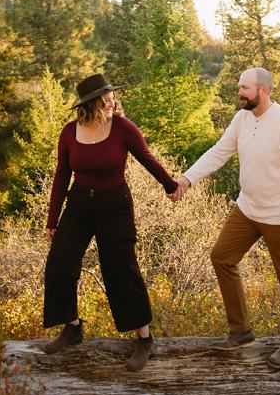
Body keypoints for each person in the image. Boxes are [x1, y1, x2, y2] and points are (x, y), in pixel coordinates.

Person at [171, 67, 280, 368]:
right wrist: (187, 179)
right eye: (240, 87)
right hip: (247, 209)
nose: (240, 92)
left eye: (245, 88)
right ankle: (241, 332)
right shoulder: (242, 118)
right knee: (222, 257)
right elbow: (219, 152)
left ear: (263, 90)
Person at [42, 73, 179, 372]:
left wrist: (171, 185)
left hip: (114, 206)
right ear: (90, 103)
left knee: (121, 269)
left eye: (111, 96)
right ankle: (72, 328)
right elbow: (61, 176)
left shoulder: (122, 128)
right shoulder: (69, 133)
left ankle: (144, 339)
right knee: (59, 265)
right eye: (105, 98)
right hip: (78, 205)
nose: (111, 101)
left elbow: (146, 157)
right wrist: (53, 218)